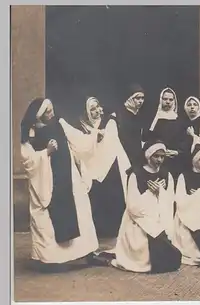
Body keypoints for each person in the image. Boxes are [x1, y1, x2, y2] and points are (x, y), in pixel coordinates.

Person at [20, 97, 100, 272]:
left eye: (51, 109)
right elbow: (28, 161)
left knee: (81, 213)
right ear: (38, 116)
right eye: (48, 112)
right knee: (46, 220)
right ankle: (49, 259)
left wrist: (94, 131)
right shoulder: (30, 136)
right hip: (47, 184)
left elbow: (79, 141)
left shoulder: (61, 125)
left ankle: (87, 253)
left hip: (69, 180)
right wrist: (46, 153)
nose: (52, 113)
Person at [103, 141, 181, 274]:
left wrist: (160, 192)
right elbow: (132, 206)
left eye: (162, 157)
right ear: (148, 156)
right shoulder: (136, 174)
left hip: (159, 219)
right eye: (156, 156)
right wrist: (149, 193)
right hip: (139, 220)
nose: (159, 160)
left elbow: (170, 201)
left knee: (172, 258)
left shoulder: (166, 175)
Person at [77, 97, 130, 245]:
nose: (96, 111)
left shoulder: (108, 122)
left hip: (111, 164)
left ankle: (113, 230)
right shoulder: (84, 126)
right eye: (92, 109)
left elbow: (112, 142)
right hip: (93, 167)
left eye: (97, 107)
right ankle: (99, 231)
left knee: (113, 197)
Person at [143, 87, 185, 180]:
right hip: (157, 160)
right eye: (165, 99)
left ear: (174, 101)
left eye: (170, 99)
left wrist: (177, 152)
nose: (168, 102)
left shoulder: (179, 120)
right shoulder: (154, 119)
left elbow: (183, 141)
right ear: (160, 100)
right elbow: (147, 138)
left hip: (174, 160)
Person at [114, 84, 146, 167]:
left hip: (137, 156)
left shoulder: (139, 115)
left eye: (142, 98)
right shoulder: (119, 115)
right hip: (122, 155)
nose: (141, 101)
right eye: (137, 98)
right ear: (130, 98)